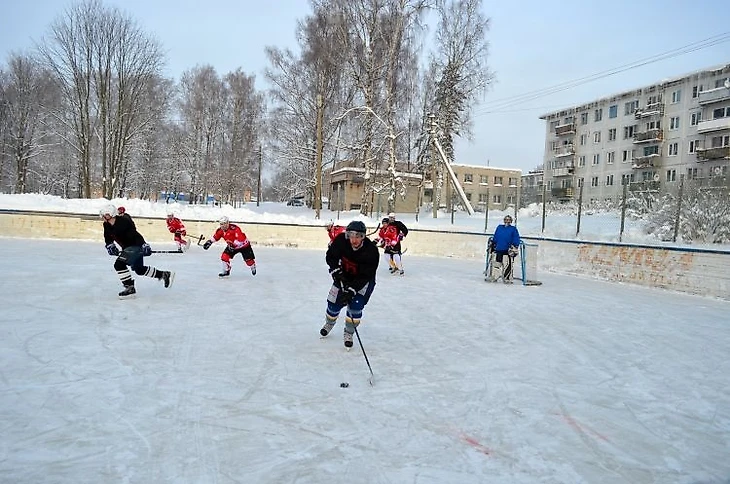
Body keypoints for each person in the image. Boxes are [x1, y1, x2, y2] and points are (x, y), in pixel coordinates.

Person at [320, 220, 379, 348]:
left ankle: (349, 332)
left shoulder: (371, 251)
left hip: (363, 282)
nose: (354, 240)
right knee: (333, 304)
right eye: (351, 236)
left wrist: (352, 290)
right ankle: (329, 323)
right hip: (343, 276)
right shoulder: (341, 240)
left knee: (355, 306)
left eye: (358, 236)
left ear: (364, 236)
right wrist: (336, 272)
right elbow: (331, 256)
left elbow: (366, 275)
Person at [101, 204, 174, 299]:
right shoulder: (106, 224)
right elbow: (107, 237)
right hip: (126, 248)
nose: (103, 216)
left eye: (105, 214)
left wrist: (144, 244)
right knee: (139, 269)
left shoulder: (123, 222)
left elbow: (135, 234)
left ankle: (130, 288)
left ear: (111, 214)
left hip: (135, 246)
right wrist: (109, 245)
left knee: (119, 265)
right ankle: (164, 274)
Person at [489, 214, 521, 283]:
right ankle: (494, 276)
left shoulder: (513, 229)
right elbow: (496, 237)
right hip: (499, 249)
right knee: (496, 264)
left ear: (511, 221)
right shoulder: (499, 228)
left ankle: (507, 278)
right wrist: (493, 244)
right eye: (506, 220)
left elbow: (516, 238)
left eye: (508, 220)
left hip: (508, 250)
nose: (507, 221)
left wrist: (514, 246)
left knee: (508, 265)